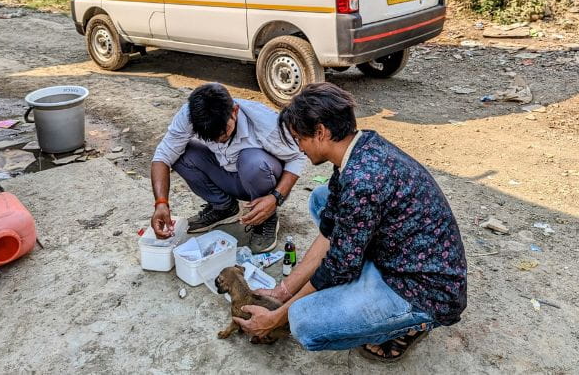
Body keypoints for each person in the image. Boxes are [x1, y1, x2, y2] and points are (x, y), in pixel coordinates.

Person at [233, 83, 467, 362]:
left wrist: (276, 317)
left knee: (303, 323)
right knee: (322, 199)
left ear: (320, 132)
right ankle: (365, 288)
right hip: (404, 254)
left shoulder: (362, 180)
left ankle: (412, 323)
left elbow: (337, 265)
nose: (299, 148)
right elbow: (331, 231)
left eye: (299, 138)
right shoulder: (358, 148)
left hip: (425, 289)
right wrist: (282, 291)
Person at [150, 83, 309, 252]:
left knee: (253, 162)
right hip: (227, 175)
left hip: (261, 179)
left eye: (224, 132)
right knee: (180, 154)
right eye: (212, 137)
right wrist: (161, 203)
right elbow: (162, 156)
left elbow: (298, 156)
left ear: (235, 111)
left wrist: (275, 198)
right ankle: (224, 208)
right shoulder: (190, 115)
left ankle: (265, 217)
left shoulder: (266, 123)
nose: (219, 140)